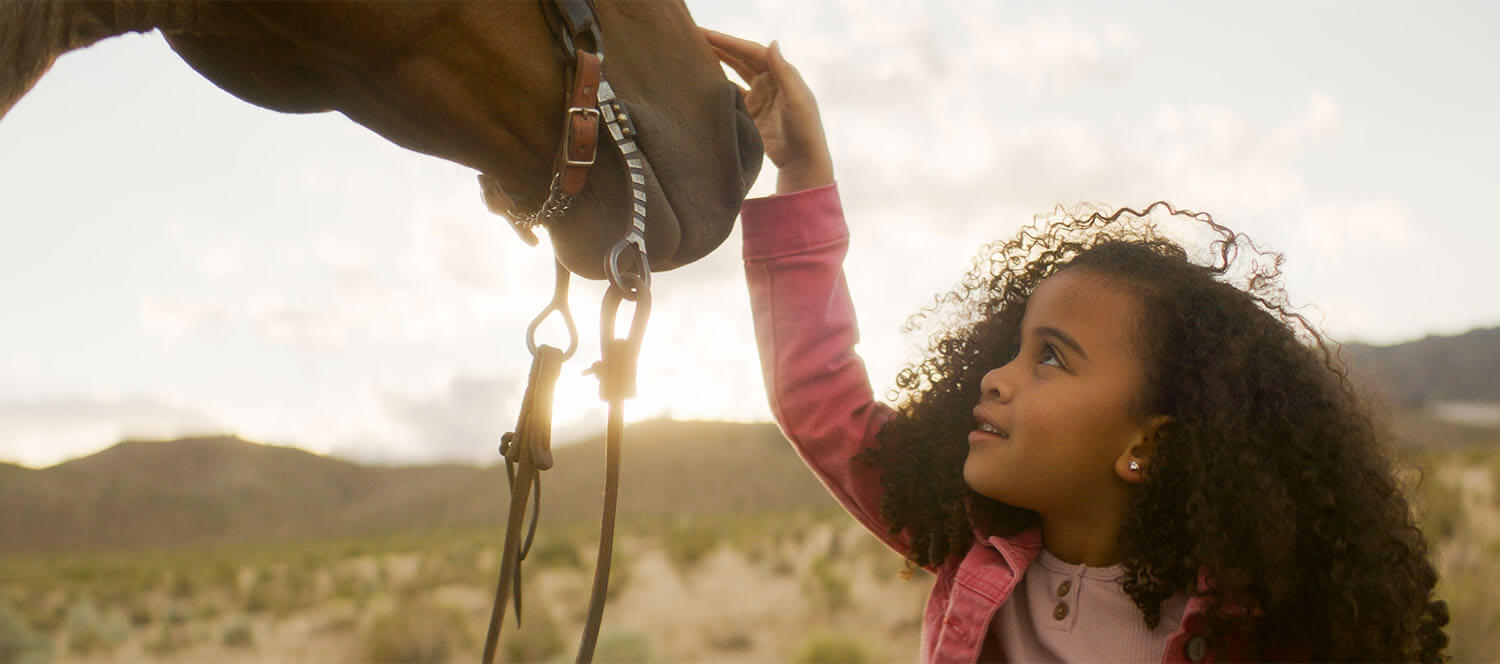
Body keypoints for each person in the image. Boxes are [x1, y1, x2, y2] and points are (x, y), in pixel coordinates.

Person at [704, 29, 1450, 663]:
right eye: (1016, 347)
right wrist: (800, 171)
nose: (997, 376)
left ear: (1147, 447)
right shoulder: (966, 538)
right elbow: (818, 392)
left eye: (1051, 357)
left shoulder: (1247, 631)